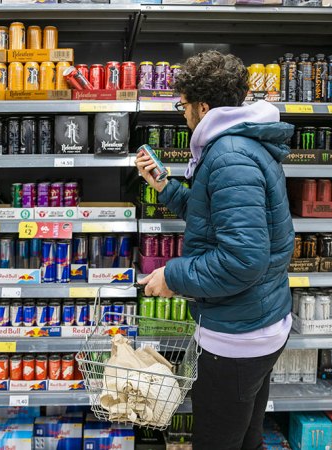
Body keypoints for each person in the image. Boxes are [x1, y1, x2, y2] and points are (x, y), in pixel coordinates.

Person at [136, 50, 295, 450]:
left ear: (203, 106)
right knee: (246, 440)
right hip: (256, 323)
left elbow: (243, 259)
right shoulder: (239, 145)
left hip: (238, 339)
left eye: (183, 104)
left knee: (217, 441)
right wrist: (166, 188)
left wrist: (172, 276)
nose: (182, 113)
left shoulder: (228, 156)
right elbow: (216, 218)